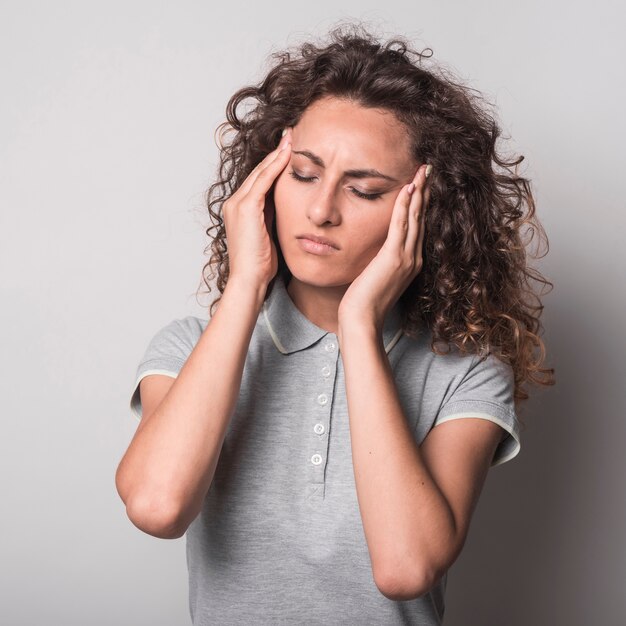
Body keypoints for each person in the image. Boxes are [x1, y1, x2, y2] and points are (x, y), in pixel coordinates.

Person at [115, 23, 555, 625]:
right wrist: (245, 285)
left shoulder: (466, 375)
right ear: (265, 180)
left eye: (365, 190)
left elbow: (405, 569)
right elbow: (157, 507)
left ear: (424, 211)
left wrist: (358, 328)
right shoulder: (190, 348)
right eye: (302, 174)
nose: (321, 211)